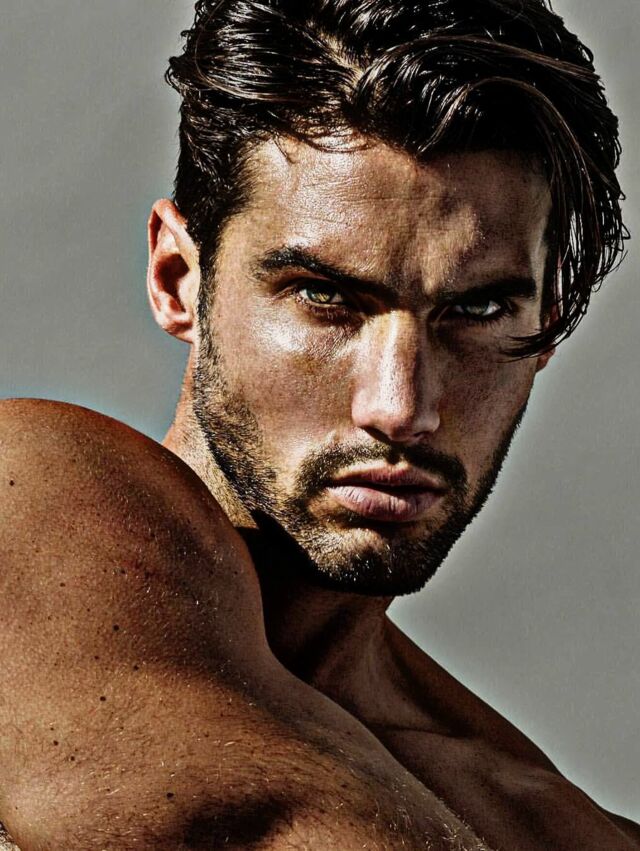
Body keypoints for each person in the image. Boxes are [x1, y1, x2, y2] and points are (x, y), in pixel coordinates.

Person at [0, 0, 638, 847]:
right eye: (325, 296)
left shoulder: (546, 825)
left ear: (545, 325)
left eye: (478, 308)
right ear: (177, 277)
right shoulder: (26, 494)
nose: (400, 408)